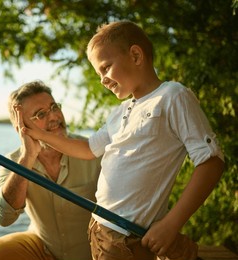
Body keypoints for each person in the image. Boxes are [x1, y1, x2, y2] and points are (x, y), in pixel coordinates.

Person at [19, 21, 225, 260]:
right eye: (98, 74)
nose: (102, 80)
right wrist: (37, 134)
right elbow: (87, 148)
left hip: (128, 238)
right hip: (99, 230)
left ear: (136, 55)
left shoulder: (172, 96)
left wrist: (171, 224)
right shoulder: (119, 112)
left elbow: (212, 162)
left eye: (105, 68)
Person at [0, 80, 102, 260]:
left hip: (97, 252)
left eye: (54, 107)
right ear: (21, 128)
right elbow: (3, 218)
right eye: (41, 114)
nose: (54, 117)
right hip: (45, 252)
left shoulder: (92, 150)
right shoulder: (14, 162)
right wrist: (28, 158)